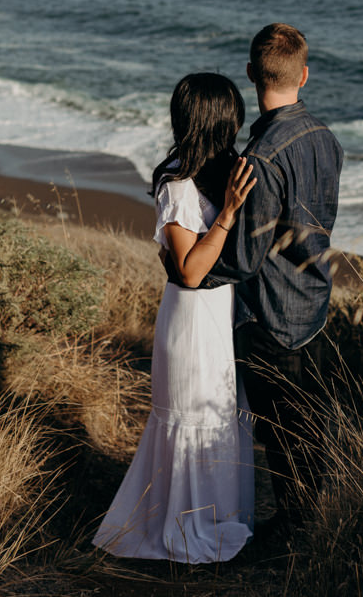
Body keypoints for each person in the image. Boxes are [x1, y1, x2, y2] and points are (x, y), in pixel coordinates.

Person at [93, 72, 258, 563]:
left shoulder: (224, 172)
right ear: (218, 121)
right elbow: (189, 271)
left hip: (220, 313)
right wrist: (227, 213)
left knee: (218, 416)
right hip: (190, 318)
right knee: (190, 418)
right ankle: (186, 531)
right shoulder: (178, 186)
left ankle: (218, 519)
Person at [205, 23, 344, 538]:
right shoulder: (326, 138)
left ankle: (295, 533)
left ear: (249, 75)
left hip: (272, 313)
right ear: (303, 75)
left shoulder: (259, 156)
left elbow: (243, 259)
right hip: (315, 298)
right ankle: (312, 520)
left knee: (283, 431)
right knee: (310, 422)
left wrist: (191, 276)